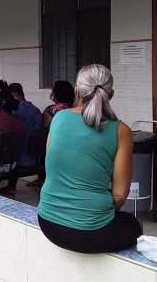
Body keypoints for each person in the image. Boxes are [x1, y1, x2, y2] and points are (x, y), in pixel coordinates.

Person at [38, 64, 141, 253]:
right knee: (134, 225)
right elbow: (119, 194)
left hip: (47, 221)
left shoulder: (58, 118)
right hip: (91, 232)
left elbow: (52, 166)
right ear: (111, 93)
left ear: (76, 89)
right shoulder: (121, 130)